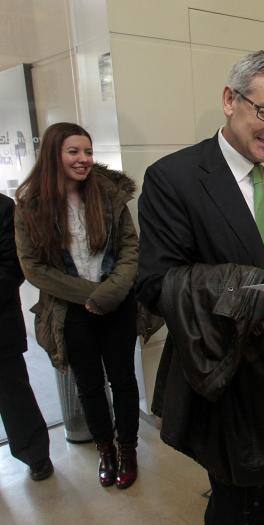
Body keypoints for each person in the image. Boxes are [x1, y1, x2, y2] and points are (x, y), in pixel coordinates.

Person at [136, 50, 264, 524]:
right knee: (244, 499)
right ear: (230, 100)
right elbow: (155, 285)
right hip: (234, 366)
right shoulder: (175, 179)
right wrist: (257, 301)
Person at [14, 122, 140, 489]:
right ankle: (105, 449)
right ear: (54, 155)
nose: (84, 159)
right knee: (88, 385)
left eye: (87, 151)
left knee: (123, 380)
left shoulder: (109, 195)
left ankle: (127, 449)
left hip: (117, 304)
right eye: (74, 152)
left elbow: (131, 248)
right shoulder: (30, 205)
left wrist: (111, 292)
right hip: (71, 312)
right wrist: (89, 295)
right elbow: (33, 268)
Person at [0, 193, 53, 481]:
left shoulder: (4, 208)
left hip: (1, 326)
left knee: (13, 394)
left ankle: (36, 455)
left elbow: (12, 267)